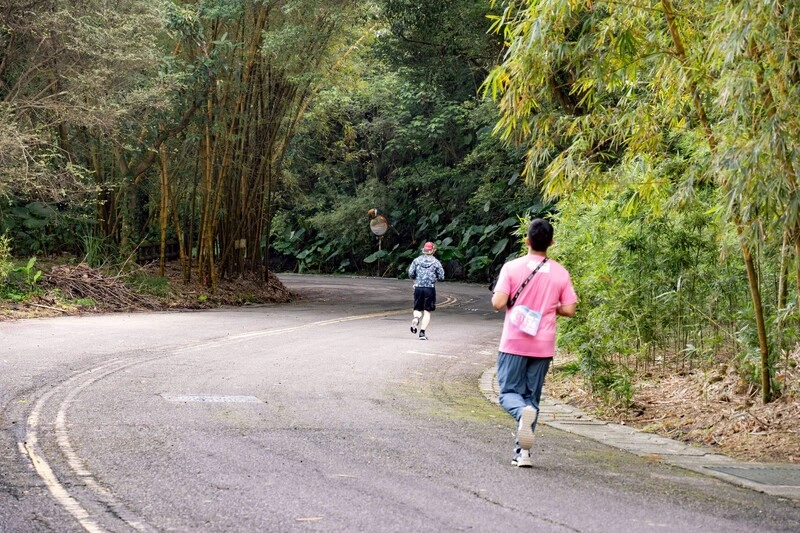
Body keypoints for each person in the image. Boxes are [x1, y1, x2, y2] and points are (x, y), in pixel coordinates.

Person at [490, 218, 577, 468]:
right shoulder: (560, 272)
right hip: (542, 345)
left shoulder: (511, 267)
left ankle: (520, 416)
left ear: (526, 241)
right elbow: (570, 309)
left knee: (508, 394)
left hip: (514, 343)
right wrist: (550, 308)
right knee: (532, 399)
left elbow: (498, 303)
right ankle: (524, 454)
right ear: (551, 242)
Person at [408, 241, 445, 340]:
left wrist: (416, 280)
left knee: (417, 308)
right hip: (430, 288)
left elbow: (411, 273)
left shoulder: (416, 260)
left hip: (418, 288)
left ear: (424, 250)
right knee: (427, 311)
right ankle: (422, 333)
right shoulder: (436, 262)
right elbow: (441, 277)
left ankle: (416, 319)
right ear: (433, 250)